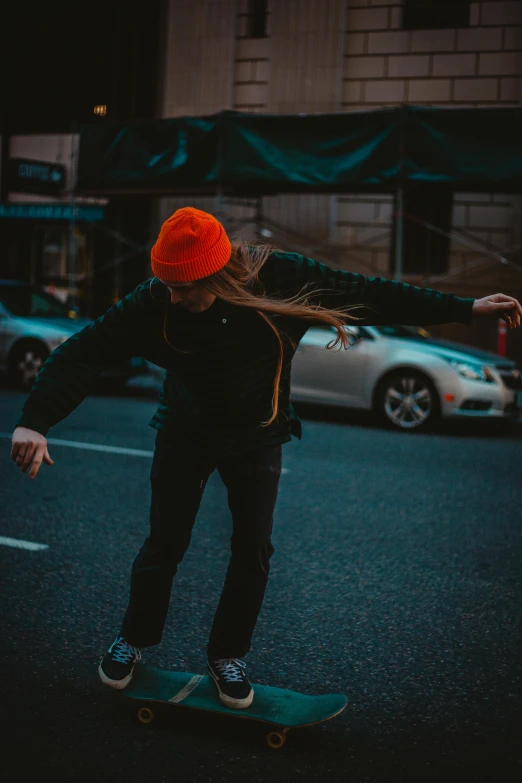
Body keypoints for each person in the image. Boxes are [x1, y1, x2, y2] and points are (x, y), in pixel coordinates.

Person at [10, 207, 522, 710]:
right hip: (185, 433)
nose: (173, 295)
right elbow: (83, 351)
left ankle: (227, 655)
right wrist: (36, 420)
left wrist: (465, 307)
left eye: (184, 286)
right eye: (165, 283)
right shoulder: (155, 303)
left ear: (214, 273)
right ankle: (134, 639)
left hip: (258, 435)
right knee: (165, 542)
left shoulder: (279, 277)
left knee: (252, 549)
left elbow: (369, 295)